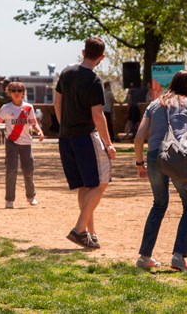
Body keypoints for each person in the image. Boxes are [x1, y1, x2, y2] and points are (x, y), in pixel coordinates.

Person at [134, 70, 187, 271]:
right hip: (178, 157)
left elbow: (139, 137)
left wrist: (140, 163)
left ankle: (144, 257)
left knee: (159, 205)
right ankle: (178, 256)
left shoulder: (154, 104)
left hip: (154, 156)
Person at [54, 36, 117, 249]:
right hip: (86, 138)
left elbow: (57, 102)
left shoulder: (66, 73)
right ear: (102, 57)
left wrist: (65, 127)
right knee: (102, 182)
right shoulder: (94, 80)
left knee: (85, 185)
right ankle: (79, 230)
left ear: (83, 52)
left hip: (66, 138)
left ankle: (90, 234)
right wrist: (108, 143)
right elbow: (98, 115)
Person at [0, 81, 45, 209]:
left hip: (26, 142)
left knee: (28, 170)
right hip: (11, 142)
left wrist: (39, 131)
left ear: (23, 93)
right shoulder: (5, 108)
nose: (16, 93)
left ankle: (31, 196)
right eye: (13, 90)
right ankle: (9, 200)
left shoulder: (28, 108)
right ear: (9, 93)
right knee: (11, 170)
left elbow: (33, 123)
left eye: (19, 90)